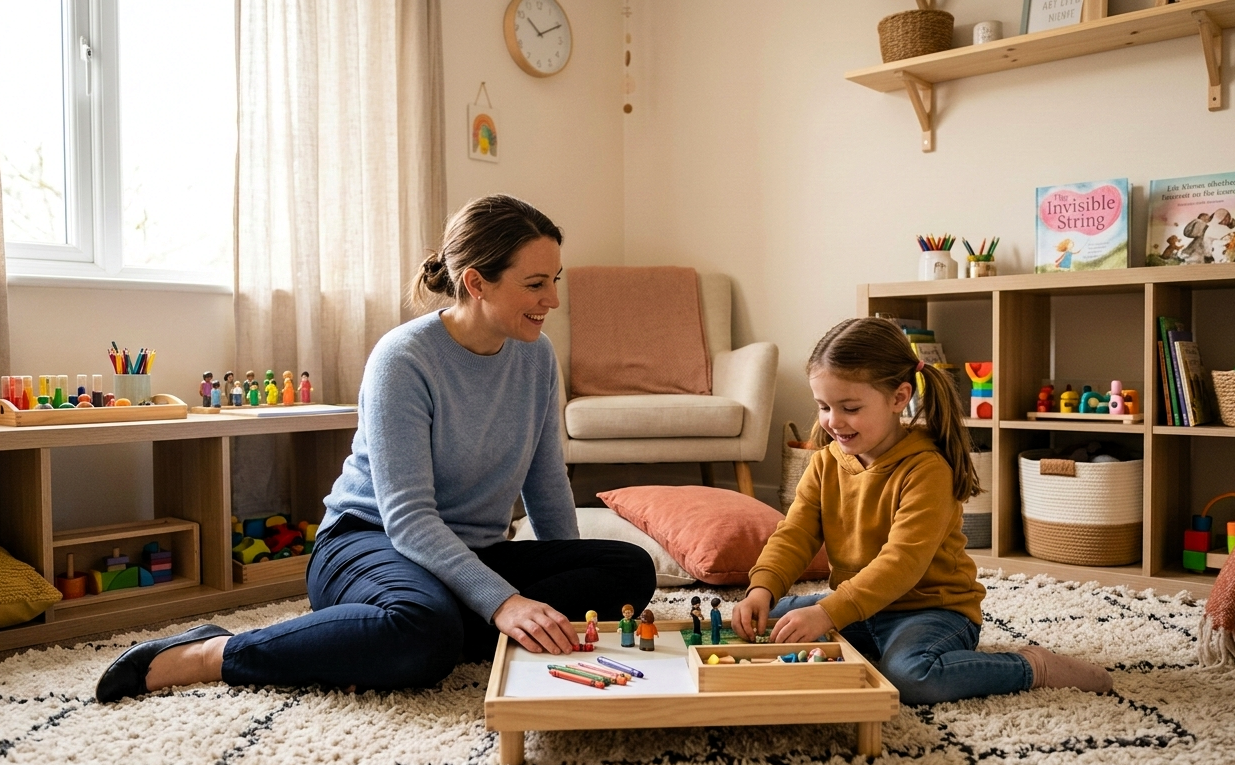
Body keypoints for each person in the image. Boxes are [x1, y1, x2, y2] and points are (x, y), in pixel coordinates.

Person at [95, 194, 657, 702]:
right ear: (477, 282)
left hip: (467, 555)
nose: (553, 300)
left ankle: (414, 629)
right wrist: (505, 602)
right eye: (536, 284)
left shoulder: (535, 358)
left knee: (627, 567)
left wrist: (568, 579)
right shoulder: (405, 359)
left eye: (555, 279)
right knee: (425, 633)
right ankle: (213, 652)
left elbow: (547, 485)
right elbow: (410, 520)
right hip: (369, 543)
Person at [731, 317, 1112, 706]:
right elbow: (795, 533)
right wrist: (762, 589)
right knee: (756, 616)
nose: (832, 421)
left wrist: (827, 613)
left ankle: (1032, 667)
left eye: (849, 407)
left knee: (911, 678)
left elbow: (902, 563)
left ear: (899, 398)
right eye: (823, 406)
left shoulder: (927, 469)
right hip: (857, 607)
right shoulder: (826, 463)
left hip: (929, 611)